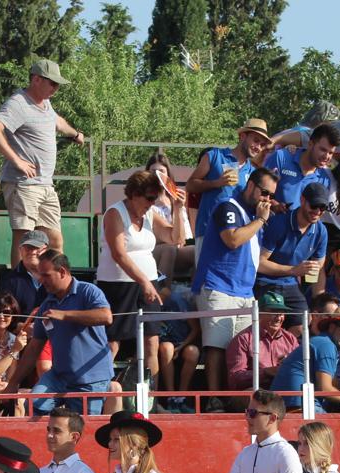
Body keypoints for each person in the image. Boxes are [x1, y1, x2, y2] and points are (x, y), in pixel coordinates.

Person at [191, 166, 277, 408]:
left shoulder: (253, 216)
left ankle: (235, 399)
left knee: (241, 348)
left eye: (271, 195)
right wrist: (261, 219)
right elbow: (232, 239)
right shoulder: (227, 206)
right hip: (218, 286)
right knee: (216, 347)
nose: (267, 199)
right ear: (250, 185)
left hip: (244, 291)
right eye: (264, 192)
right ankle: (214, 399)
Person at [0, 58, 87, 258]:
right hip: (23, 184)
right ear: (36, 79)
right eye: (52, 83)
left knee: (55, 239)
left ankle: (55, 284)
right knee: (25, 238)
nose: (56, 88)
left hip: (45, 184)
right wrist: (17, 160)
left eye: (57, 84)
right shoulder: (18, 103)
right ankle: (19, 285)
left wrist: (75, 134)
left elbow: (57, 121)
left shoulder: (45, 103)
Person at [3, 252, 114, 415]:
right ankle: (48, 438)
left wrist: (65, 315)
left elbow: (106, 316)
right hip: (59, 376)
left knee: (82, 427)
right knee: (34, 406)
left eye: (46, 275)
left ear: (62, 272)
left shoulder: (88, 291)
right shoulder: (47, 304)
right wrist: (13, 383)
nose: (41, 280)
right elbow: (34, 348)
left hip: (91, 378)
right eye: (40, 275)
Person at [97, 170, 169, 369]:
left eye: (155, 198)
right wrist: (143, 281)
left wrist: (179, 208)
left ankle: (151, 398)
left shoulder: (151, 214)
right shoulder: (115, 213)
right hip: (118, 284)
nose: (152, 202)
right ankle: (100, 392)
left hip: (148, 282)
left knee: (152, 342)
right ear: (135, 194)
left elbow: (175, 238)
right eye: (149, 198)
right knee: (112, 343)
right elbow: (118, 253)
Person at [186, 119, 272, 256]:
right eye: (256, 141)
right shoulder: (214, 156)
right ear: (242, 136)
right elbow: (190, 185)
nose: (258, 147)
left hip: (235, 234)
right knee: (202, 276)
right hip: (208, 230)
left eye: (262, 144)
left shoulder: (252, 172)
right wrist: (216, 183)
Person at [270, 310, 340, 412]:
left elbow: (334, 382)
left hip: (289, 404)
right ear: (332, 327)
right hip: (299, 406)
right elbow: (325, 389)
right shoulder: (326, 345)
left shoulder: (323, 342)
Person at [256, 181, 330, 311]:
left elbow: (319, 264)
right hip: (266, 282)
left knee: (303, 323)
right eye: (314, 205)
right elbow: (259, 263)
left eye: (323, 207)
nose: (318, 211)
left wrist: (310, 269)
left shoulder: (321, 231)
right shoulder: (278, 224)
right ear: (302, 200)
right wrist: (294, 270)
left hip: (291, 284)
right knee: (271, 317)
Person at [227, 295, 300, 392]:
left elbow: (300, 369)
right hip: (256, 392)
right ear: (258, 313)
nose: (278, 318)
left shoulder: (290, 339)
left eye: (281, 313)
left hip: (283, 389)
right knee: (256, 394)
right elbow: (235, 379)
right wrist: (266, 372)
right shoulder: (243, 339)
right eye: (273, 312)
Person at [145, 148, 195, 280]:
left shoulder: (175, 200)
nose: (156, 175)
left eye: (161, 171)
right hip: (152, 251)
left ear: (167, 175)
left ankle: (197, 292)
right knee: (169, 249)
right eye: (152, 171)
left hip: (177, 249)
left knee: (200, 251)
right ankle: (162, 291)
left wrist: (178, 208)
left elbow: (183, 238)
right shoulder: (143, 202)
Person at [265, 123, 338, 212]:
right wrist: (274, 205)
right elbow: (259, 191)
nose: (326, 156)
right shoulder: (281, 158)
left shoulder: (324, 179)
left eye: (331, 153)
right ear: (310, 144)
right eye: (323, 150)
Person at [0, 230, 49, 316]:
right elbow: (3, 314)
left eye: (37, 248)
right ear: (20, 250)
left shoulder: (57, 278)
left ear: (46, 250)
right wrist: (19, 326)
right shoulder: (9, 281)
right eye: (28, 248)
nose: (32, 252)